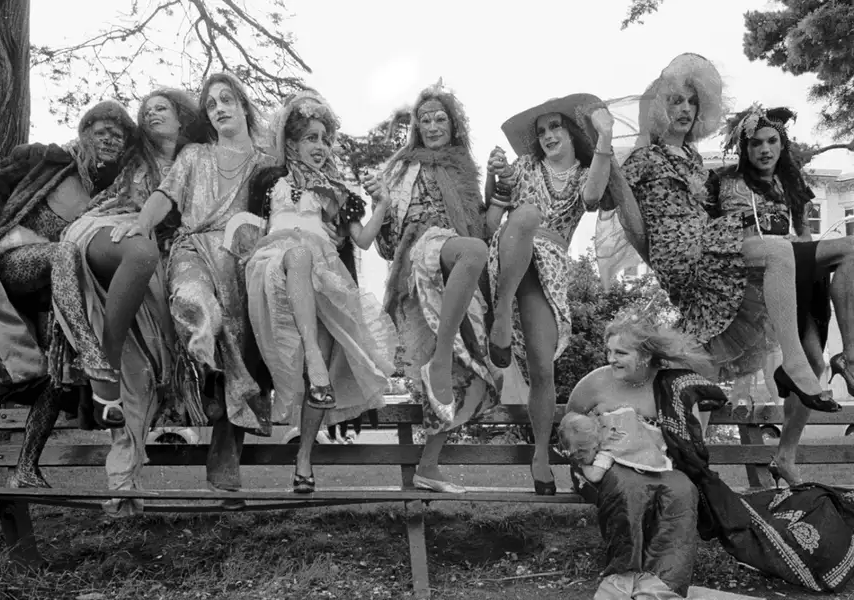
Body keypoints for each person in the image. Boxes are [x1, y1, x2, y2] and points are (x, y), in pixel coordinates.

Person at [565, 316, 854, 598]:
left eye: (621, 353)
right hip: (603, 466)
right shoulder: (594, 384)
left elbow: (691, 439)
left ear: (644, 356)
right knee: (630, 490)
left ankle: (663, 581)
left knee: (683, 491)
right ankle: (623, 575)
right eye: (609, 351)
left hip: (658, 464)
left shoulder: (676, 384)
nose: (611, 359)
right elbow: (570, 424)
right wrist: (587, 451)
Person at [619, 54, 838, 415]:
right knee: (777, 253)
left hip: (706, 242)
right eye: (676, 101)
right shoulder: (645, 157)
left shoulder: (691, 157)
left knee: (777, 257)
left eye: (693, 101)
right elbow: (621, 212)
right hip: (682, 254)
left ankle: (695, 427)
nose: (686, 109)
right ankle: (793, 366)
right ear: (659, 108)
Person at [0, 100, 136, 489]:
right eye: (101, 130)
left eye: (117, 135)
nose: (109, 139)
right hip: (13, 263)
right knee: (61, 251)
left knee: (55, 370)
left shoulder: (114, 189)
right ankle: (94, 355)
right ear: (85, 132)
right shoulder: (45, 160)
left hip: (58, 291)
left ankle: (26, 468)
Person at [711, 105, 854, 486]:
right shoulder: (722, 181)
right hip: (743, 266)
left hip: (790, 267)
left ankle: (786, 456)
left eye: (772, 141)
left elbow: (803, 236)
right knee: (846, 250)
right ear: (744, 146)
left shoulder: (792, 183)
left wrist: (802, 258)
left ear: (781, 143)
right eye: (755, 142)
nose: (765, 149)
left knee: (813, 363)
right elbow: (702, 231)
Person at [123, 73, 275, 504]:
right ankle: (203, 367)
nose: (220, 108)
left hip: (246, 260)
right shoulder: (194, 155)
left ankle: (224, 471)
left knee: (247, 353)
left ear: (244, 106)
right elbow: (164, 196)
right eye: (211, 105)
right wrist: (140, 224)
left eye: (227, 100)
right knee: (194, 302)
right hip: (195, 249)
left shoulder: (267, 160)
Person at [52, 88, 202, 514]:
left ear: (182, 117)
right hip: (110, 230)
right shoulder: (134, 150)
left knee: (143, 370)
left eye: (162, 108)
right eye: (147, 110)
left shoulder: (199, 159)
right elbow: (90, 141)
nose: (152, 114)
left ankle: (123, 486)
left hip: (162, 263)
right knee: (141, 252)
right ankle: (103, 363)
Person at [245, 90, 398, 493]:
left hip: (325, 275)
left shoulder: (336, 192)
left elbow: (362, 241)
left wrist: (380, 205)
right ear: (292, 142)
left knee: (326, 370)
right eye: (311, 138)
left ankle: (304, 458)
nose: (320, 146)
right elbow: (250, 225)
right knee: (297, 254)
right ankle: (309, 358)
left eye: (325, 139)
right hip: (276, 265)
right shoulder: (269, 181)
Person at [484, 93, 620, 494]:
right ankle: (502, 314)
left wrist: (606, 136)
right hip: (509, 253)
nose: (546, 135)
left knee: (544, 369)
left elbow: (594, 197)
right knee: (524, 215)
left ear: (572, 132)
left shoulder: (583, 174)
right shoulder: (524, 166)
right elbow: (493, 221)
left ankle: (541, 453)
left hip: (549, 267)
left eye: (554, 126)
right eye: (541, 130)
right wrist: (492, 180)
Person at [375, 81, 500, 493]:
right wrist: (381, 207)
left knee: (468, 371)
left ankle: (429, 467)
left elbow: (480, 228)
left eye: (439, 118)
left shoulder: (463, 166)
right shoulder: (403, 166)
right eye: (424, 119)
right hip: (424, 252)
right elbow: (386, 242)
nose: (431, 125)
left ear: (454, 124)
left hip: (456, 273)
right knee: (472, 252)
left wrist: (498, 198)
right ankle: (441, 358)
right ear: (416, 127)